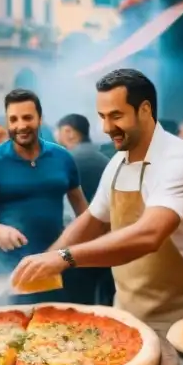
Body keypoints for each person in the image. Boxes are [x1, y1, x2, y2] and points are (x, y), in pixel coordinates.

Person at [11, 69, 183, 333]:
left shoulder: (179, 159)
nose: (107, 128)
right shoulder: (118, 163)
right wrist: (44, 261)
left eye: (116, 116)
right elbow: (92, 221)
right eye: (102, 117)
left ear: (145, 110)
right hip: (128, 318)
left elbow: (150, 234)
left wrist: (65, 257)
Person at [0, 90, 88, 304]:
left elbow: (83, 212)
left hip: (57, 267)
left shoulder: (62, 157)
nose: (20, 125)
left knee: (57, 331)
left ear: (40, 119)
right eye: (13, 119)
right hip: (9, 271)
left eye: (27, 117)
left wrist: (75, 251)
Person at [56, 113, 114, 304]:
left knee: (77, 306)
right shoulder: (104, 159)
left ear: (69, 132)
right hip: (107, 244)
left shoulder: (68, 160)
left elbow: (67, 215)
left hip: (78, 247)